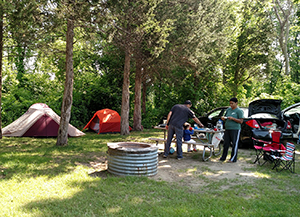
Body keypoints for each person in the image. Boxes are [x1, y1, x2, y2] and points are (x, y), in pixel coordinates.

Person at [219, 97, 244, 163]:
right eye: (230, 103)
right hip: (227, 128)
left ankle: (233, 158)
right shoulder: (228, 110)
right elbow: (226, 116)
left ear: (236, 103)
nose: (231, 105)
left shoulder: (239, 111)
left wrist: (233, 119)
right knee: (225, 143)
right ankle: (223, 157)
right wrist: (223, 118)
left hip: (235, 129)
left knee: (234, 144)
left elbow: (241, 121)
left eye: (232, 103)